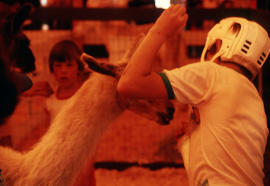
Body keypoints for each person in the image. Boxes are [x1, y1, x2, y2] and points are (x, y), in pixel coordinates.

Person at [117, 4, 270, 186]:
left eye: (212, 46)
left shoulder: (210, 74)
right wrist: (187, 144)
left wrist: (159, 31)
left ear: (221, 45)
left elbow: (129, 83)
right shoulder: (255, 100)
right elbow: (225, 164)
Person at [45, 39, 95, 186]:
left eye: (69, 65)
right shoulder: (50, 101)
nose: (63, 70)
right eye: (58, 65)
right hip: (56, 156)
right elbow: (48, 132)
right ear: (52, 69)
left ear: (79, 68)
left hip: (81, 155)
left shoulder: (85, 98)